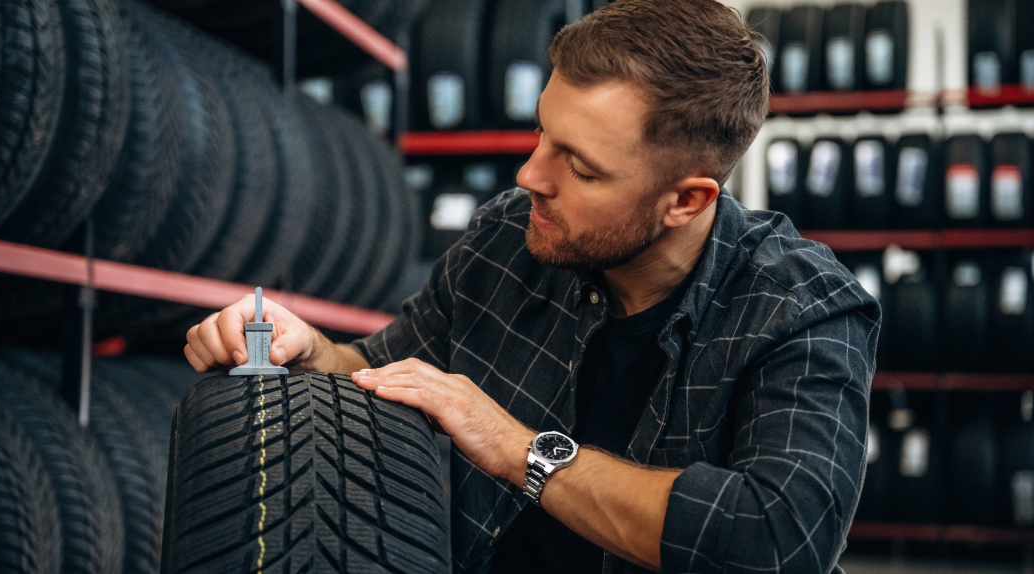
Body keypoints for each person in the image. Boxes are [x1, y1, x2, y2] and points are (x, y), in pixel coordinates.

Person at [184, 0, 881, 572]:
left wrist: (521, 451)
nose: (529, 176)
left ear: (686, 201)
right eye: (543, 133)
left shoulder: (802, 307)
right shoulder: (507, 237)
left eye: (580, 167)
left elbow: (777, 540)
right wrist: (311, 353)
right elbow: (383, 369)